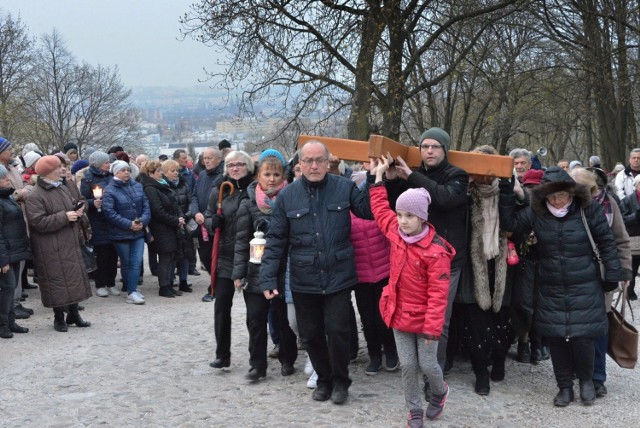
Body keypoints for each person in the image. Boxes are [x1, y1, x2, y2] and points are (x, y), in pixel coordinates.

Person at [258, 140, 373, 405]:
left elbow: (368, 211)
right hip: (304, 277)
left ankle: (341, 382)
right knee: (309, 334)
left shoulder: (344, 187)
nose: (313, 165)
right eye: (308, 161)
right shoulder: (288, 196)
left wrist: (376, 179)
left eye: (319, 160)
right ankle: (324, 380)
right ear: (299, 164)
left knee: (338, 331)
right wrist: (267, 277)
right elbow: (275, 240)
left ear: (328, 161)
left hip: (338, 275)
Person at [499, 166, 624, 407]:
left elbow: (607, 242)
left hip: (584, 284)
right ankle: (564, 386)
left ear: (572, 193)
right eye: (552, 196)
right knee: (557, 338)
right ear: (544, 196)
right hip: (550, 284)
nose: (558, 201)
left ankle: (587, 382)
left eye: (563, 195)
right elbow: (511, 228)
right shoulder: (536, 212)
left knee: (583, 337)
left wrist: (613, 274)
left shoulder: (589, 210)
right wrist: (508, 192)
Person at [370, 155, 454, 425]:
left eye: (409, 216)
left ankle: (440, 392)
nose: (402, 221)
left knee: (428, 365)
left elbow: (439, 295)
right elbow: (380, 209)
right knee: (407, 366)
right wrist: (379, 177)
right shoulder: (395, 232)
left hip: (425, 320)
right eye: (401, 215)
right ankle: (414, 409)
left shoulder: (435, 252)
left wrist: (432, 329)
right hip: (399, 314)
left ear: (422, 217)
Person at [383, 127, 468, 375]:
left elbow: (443, 198)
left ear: (445, 149)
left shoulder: (458, 176)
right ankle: (416, 365)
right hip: (414, 259)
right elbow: (393, 206)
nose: (429, 151)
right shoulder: (412, 176)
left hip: (446, 261)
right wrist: (390, 179)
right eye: (424, 147)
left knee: (439, 319)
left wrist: (411, 176)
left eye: (435, 147)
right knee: (412, 315)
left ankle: (435, 372)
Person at [232, 149, 298, 381]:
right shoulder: (248, 204)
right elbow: (240, 241)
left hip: (283, 269)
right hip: (256, 270)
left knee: (283, 320)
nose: (271, 179)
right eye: (267, 174)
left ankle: (288, 359)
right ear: (258, 177)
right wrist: (238, 272)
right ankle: (257, 365)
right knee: (256, 319)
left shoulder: (290, 200)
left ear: (283, 177)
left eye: (276, 174)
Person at [456, 145, 514, 395]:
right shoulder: (464, 194)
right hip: (473, 265)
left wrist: (511, 190)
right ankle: (481, 371)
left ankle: (499, 359)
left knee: (502, 320)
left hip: (503, 265)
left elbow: (514, 223)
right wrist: (463, 185)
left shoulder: (510, 192)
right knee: (476, 323)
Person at [571, 167, 632, 397]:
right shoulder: (565, 205)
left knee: (598, 327)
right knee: (576, 327)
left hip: (602, 275)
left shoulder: (609, 204)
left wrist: (624, 271)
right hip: (573, 275)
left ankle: (597, 377)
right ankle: (580, 372)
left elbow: (621, 241)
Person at [25, 155, 93, 332]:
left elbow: (69, 206)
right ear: (48, 171)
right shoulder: (35, 195)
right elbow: (37, 221)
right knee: (56, 282)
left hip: (68, 241)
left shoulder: (61, 188)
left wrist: (77, 209)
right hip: (49, 247)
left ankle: (73, 314)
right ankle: (58, 318)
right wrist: (64, 217)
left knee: (72, 278)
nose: (62, 170)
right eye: (57, 168)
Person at [206, 150, 254, 369]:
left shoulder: (255, 188)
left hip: (251, 255)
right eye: (231, 164)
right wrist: (211, 222)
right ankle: (222, 354)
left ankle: (257, 356)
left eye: (240, 164)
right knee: (222, 307)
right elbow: (208, 217)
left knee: (255, 311)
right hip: (226, 255)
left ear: (248, 167)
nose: (235, 168)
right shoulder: (219, 190)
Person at [102, 160, 151, 305]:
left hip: (138, 231)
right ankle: (131, 288)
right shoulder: (109, 190)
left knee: (136, 262)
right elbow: (109, 213)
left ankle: (132, 290)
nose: (127, 172)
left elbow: (146, 206)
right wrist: (129, 224)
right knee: (127, 262)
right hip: (120, 233)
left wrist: (142, 221)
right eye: (123, 170)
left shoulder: (137, 186)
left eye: (128, 170)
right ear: (116, 172)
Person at [141, 160, 185, 297]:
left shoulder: (160, 186)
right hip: (161, 228)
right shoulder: (150, 189)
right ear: (150, 173)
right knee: (165, 257)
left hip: (169, 226)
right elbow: (158, 212)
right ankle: (164, 286)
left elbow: (173, 203)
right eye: (159, 171)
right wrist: (176, 221)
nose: (161, 173)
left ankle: (168, 284)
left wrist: (179, 218)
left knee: (171, 256)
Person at [80, 151, 119, 298]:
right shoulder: (88, 178)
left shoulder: (110, 176)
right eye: (106, 162)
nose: (109, 165)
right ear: (98, 164)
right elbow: (83, 199)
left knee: (113, 254)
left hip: (111, 219)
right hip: (97, 220)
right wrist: (92, 203)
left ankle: (112, 282)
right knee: (101, 254)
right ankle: (100, 284)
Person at [0, 164, 31, 338]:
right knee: (7, 287)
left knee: (10, 289)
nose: (8, 180)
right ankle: (3, 324)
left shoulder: (8, 197)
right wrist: (2, 259)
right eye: (4, 178)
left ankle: (11, 322)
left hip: (15, 250)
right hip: (6, 253)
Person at [190, 147, 224, 301]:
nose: (207, 160)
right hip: (201, 223)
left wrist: (208, 216)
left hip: (215, 223)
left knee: (216, 257)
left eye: (210, 158)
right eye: (205, 158)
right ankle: (216, 284)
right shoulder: (202, 175)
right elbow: (195, 196)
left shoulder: (224, 175)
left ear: (219, 159)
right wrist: (195, 212)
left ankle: (215, 288)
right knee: (204, 256)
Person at [164, 159, 195, 292]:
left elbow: (191, 201)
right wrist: (177, 219)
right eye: (172, 170)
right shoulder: (164, 186)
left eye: (177, 170)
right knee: (173, 256)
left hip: (185, 222)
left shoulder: (184, 184)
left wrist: (186, 216)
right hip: (172, 224)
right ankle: (170, 281)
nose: (176, 173)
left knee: (186, 253)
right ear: (165, 173)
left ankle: (184, 280)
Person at [618, 174, 640, 301]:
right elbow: (622, 219)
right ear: (636, 185)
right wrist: (636, 216)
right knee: (633, 265)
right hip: (634, 238)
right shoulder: (627, 200)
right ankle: (630, 291)